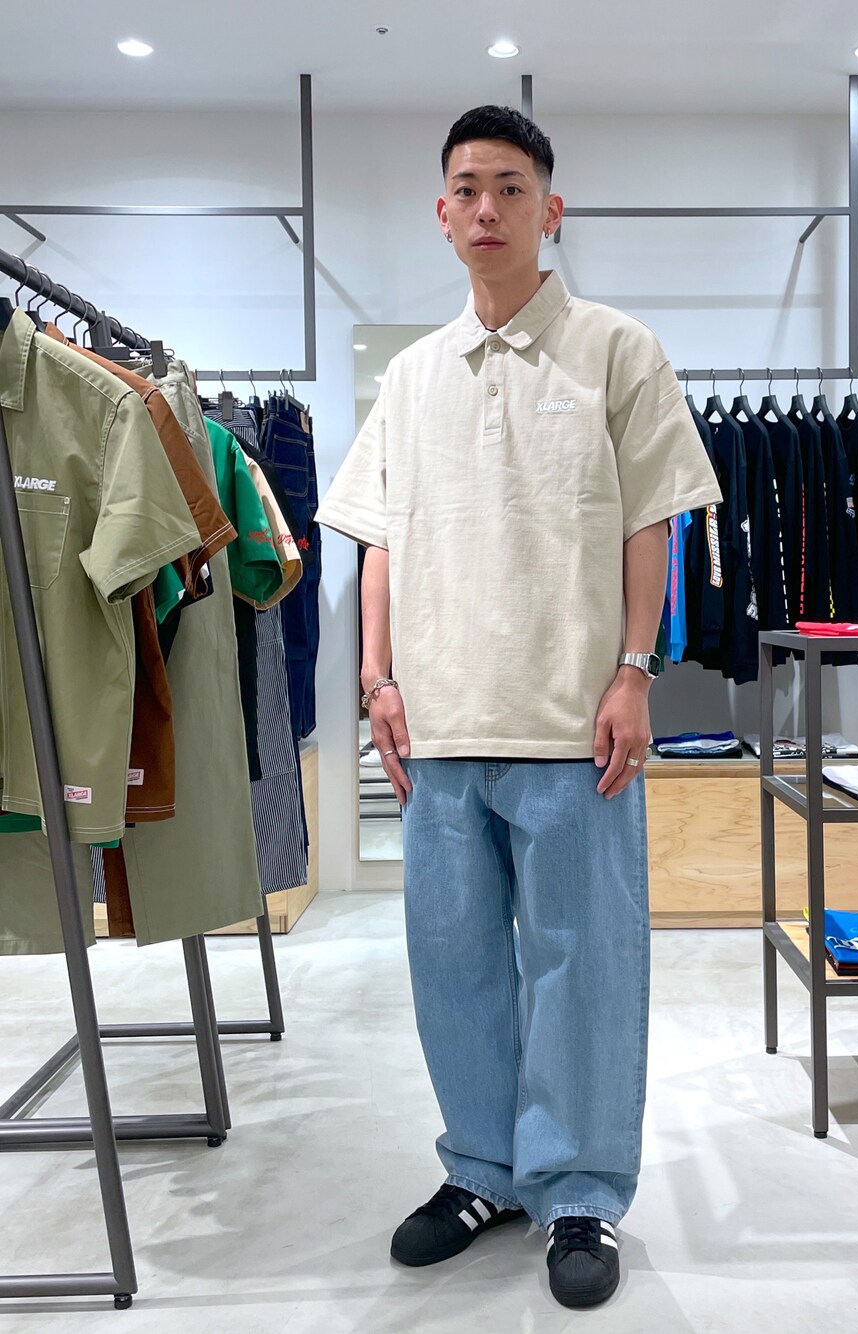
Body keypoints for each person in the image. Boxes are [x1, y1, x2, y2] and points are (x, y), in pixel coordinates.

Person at [317, 104, 721, 1310]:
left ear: (551, 208)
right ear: (440, 215)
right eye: (465, 188)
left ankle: (579, 1187)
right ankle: (481, 1169)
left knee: (581, 967)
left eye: (508, 186)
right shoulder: (412, 376)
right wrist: (377, 679)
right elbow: (378, 539)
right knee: (454, 968)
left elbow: (652, 520)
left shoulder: (615, 349)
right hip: (439, 727)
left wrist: (635, 669)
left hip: (570, 722)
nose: (485, 207)